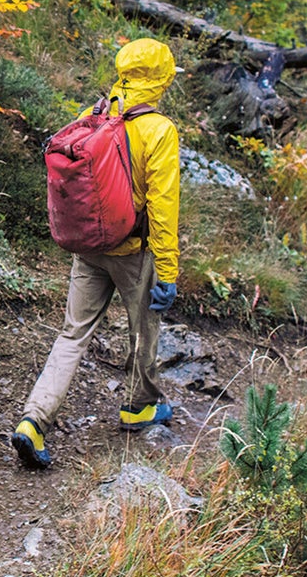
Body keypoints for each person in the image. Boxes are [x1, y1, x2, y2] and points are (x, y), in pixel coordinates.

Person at [12, 38, 182, 469]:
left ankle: (34, 419)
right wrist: (167, 268)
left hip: (89, 246)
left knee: (72, 334)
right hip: (131, 250)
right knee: (142, 329)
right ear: (162, 78)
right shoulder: (159, 129)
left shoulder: (94, 114)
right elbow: (163, 206)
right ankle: (139, 406)